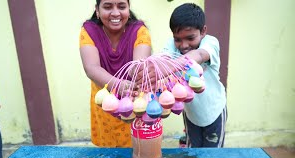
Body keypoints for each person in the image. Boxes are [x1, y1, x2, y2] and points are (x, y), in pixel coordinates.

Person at [79, 0, 151, 147]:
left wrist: (135, 74)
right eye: (107, 6)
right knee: (107, 155)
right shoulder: (89, 31)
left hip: (134, 99)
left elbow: (138, 66)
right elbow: (91, 67)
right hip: (104, 104)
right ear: (97, 11)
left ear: (128, 9)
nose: (116, 13)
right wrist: (118, 84)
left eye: (121, 6)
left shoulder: (140, 31)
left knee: (137, 154)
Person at [164, 3, 227, 147]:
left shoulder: (210, 42)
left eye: (190, 38)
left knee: (212, 157)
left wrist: (170, 65)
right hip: (191, 114)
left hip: (214, 112)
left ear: (203, 31)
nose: (184, 45)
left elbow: (198, 54)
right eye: (178, 39)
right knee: (193, 153)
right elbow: (163, 59)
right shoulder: (171, 45)